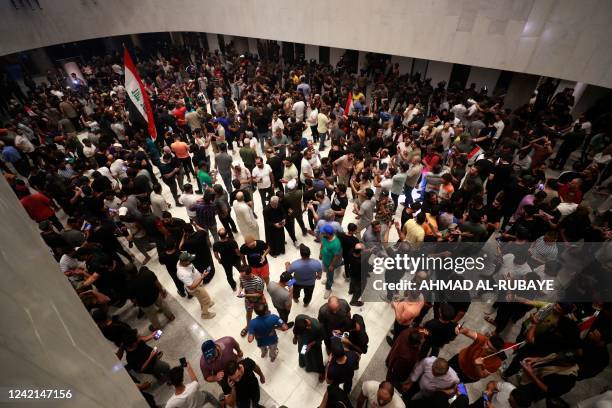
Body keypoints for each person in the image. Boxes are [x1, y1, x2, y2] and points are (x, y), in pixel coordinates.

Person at [126, 266, 175, 331]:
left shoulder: (129, 285)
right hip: (155, 295)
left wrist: (138, 304)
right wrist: (162, 291)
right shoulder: (147, 273)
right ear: (136, 269)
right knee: (163, 305)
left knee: (151, 315)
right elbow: (157, 283)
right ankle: (171, 316)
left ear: (128, 274)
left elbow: (133, 299)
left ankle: (157, 327)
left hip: (145, 303)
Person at [176, 251, 215, 319]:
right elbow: (191, 287)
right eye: (189, 260)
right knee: (206, 299)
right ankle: (205, 314)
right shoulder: (182, 273)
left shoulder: (182, 262)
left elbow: (192, 270)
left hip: (198, 283)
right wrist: (202, 277)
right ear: (184, 262)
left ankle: (204, 306)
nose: (191, 261)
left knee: (201, 298)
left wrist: (200, 275)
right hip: (196, 288)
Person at [293, 314, 326, 382]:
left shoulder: (318, 326)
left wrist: (310, 344)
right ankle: (304, 364)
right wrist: (295, 337)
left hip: (313, 345)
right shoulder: (299, 318)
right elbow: (296, 329)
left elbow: (322, 337)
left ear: (307, 325)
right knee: (302, 354)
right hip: (303, 343)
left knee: (317, 359)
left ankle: (321, 371)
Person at [237, 265, 266, 338]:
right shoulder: (241, 277)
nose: (242, 277)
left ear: (250, 274)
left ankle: (264, 326)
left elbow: (259, 294)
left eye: (244, 276)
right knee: (248, 313)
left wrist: (246, 295)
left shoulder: (258, 281)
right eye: (241, 275)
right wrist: (240, 291)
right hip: (248, 300)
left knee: (262, 313)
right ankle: (248, 326)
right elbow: (241, 284)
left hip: (258, 300)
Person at [320, 224, 343, 299]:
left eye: (323, 232)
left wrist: (332, 265)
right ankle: (328, 278)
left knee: (330, 275)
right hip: (325, 259)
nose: (322, 234)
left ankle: (328, 288)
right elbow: (322, 245)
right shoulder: (324, 237)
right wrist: (320, 253)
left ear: (328, 234)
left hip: (331, 262)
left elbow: (336, 256)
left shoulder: (336, 243)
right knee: (327, 272)